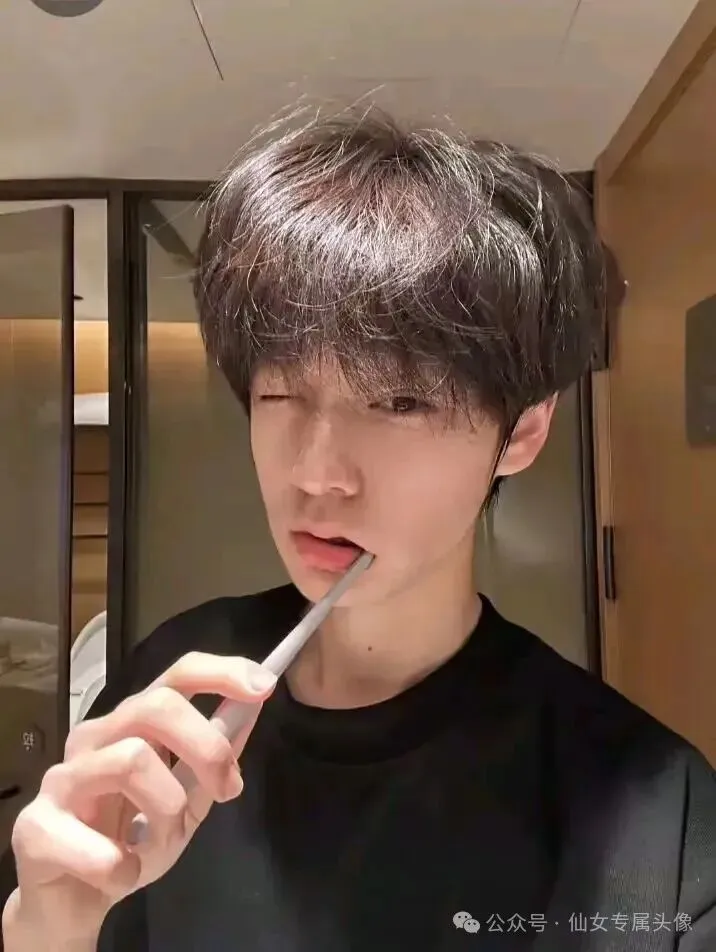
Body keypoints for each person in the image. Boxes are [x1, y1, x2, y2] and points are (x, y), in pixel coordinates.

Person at [3, 109, 716, 952]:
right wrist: (47, 925)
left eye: (400, 401)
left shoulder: (653, 812)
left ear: (523, 430)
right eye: (280, 392)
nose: (317, 474)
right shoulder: (172, 688)